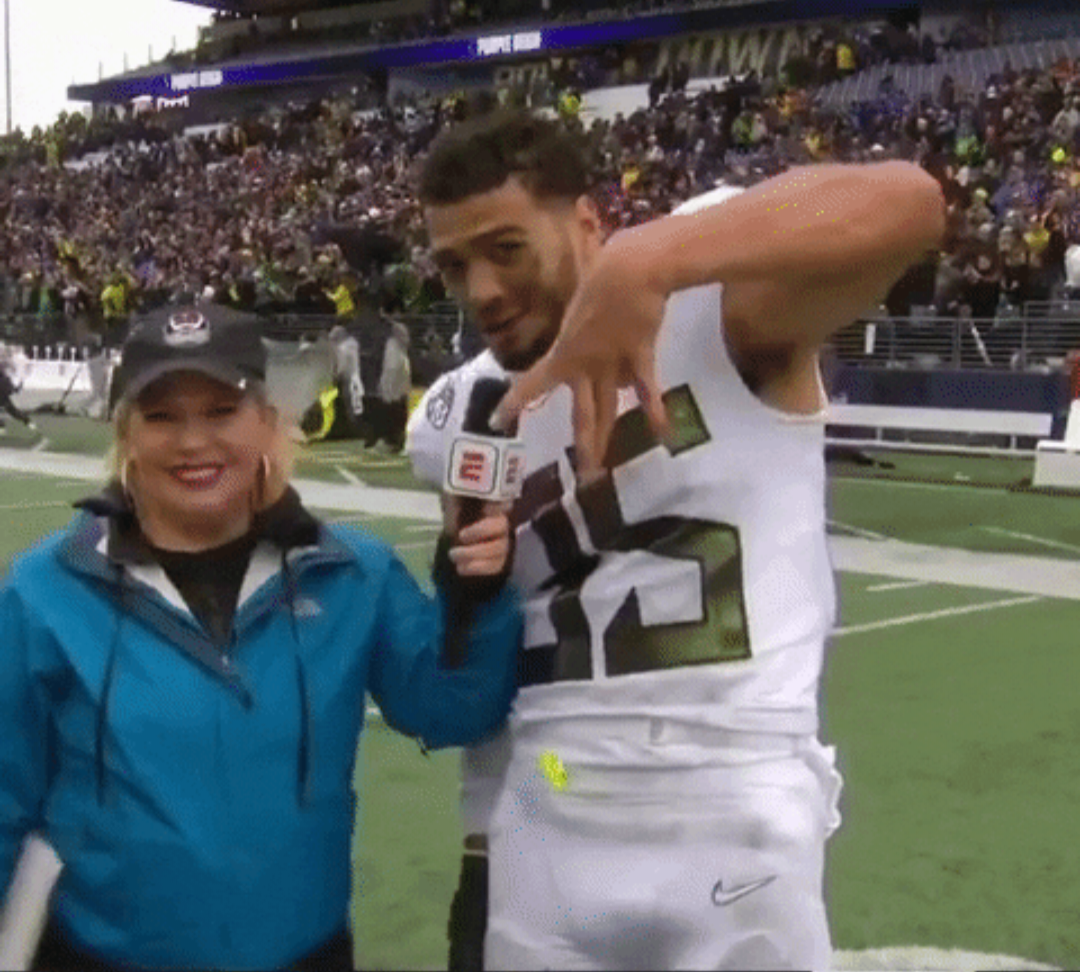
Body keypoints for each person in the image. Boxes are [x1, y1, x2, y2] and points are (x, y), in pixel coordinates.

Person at [407, 109, 945, 971]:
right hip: (548, 798)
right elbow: (477, 647)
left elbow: (910, 204)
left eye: (506, 249)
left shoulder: (708, 307)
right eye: (453, 265)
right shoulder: (462, 414)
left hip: (730, 786)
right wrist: (468, 583)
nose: (480, 293)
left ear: (587, 221)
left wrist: (650, 259)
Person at [0, 303, 522, 972]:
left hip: (307, 956)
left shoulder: (350, 574)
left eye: (222, 411)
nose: (194, 443)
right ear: (125, 433)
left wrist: (475, 597)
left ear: (269, 422)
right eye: (161, 417)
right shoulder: (47, 590)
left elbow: (453, 709)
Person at [0, 345, 37, 435]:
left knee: (12, 410)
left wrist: (13, 388)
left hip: (2, 392)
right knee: (12, 410)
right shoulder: (4, 373)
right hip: (4, 392)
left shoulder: (3, 373)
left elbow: (6, 382)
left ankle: (2, 426)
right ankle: (27, 421)